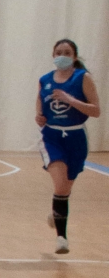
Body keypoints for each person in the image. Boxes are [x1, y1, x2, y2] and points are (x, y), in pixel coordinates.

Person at [36, 38, 101, 255]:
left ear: (74, 57)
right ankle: (61, 238)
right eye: (58, 52)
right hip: (52, 136)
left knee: (65, 188)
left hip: (76, 136)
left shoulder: (82, 78)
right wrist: (39, 116)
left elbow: (96, 110)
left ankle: (56, 211)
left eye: (67, 52)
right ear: (53, 55)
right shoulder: (45, 80)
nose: (62, 56)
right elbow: (39, 105)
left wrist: (69, 99)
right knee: (61, 185)